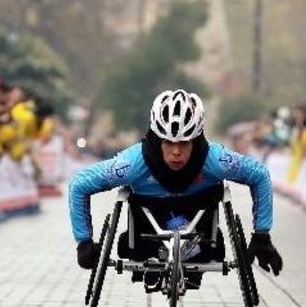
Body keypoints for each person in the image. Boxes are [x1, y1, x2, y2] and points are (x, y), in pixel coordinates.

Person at [68, 89, 282, 290]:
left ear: (196, 139)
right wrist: (84, 241)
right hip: (145, 242)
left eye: (185, 142)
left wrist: (262, 235)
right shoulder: (132, 163)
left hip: (201, 241)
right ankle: (155, 261)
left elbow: (260, 175)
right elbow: (79, 185)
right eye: (168, 143)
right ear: (157, 139)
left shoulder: (216, 160)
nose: (176, 152)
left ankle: (176, 263)